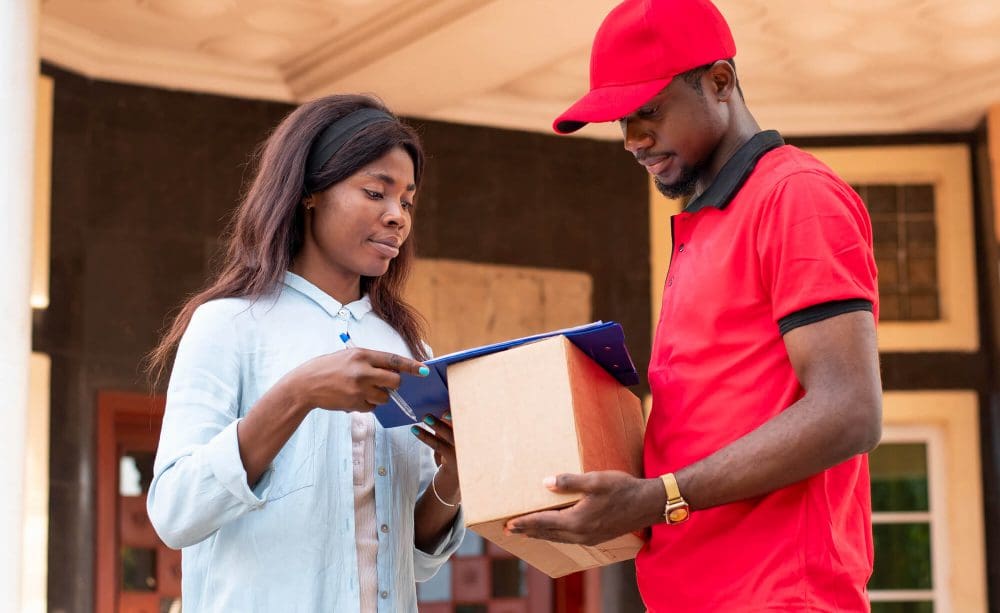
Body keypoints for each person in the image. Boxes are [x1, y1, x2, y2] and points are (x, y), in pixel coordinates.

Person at [505, 1, 882, 610]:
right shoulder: (704, 224)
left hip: (778, 596)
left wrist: (657, 497)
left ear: (720, 81)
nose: (631, 140)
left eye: (648, 111)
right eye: (621, 120)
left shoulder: (795, 196)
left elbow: (849, 410)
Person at [145, 94, 464, 612]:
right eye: (375, 193)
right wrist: (298, 394)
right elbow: (176, 513)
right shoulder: (229, 324)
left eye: (406, 201)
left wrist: (454, 472)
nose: (396, 218)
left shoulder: (407, 348)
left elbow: (416, 558)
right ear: (309, 193)